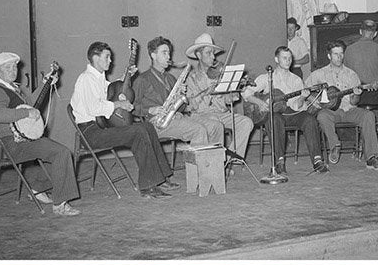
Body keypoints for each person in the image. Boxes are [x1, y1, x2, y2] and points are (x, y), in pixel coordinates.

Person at [70, 41, 177, 199]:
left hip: (101, 128)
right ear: (95, 57)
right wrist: (118, 104)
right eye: (107, 57)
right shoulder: (86, 79)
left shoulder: (98, 78)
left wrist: (127, 76)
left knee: (147, 126)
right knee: (139, 131)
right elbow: (93, 108)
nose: (110, 61)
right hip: (91, 133)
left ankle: (161, 177)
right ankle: (148, 186)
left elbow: (112, 89)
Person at [0, 51, 81, 216]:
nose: (13, 70)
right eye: (7, 67)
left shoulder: (13, 89)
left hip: (24, 141)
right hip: (13, 144)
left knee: (60, 153)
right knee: (61, 152)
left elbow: (32, 105)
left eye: (14, 67)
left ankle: (37, 188)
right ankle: (60, 204)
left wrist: (47, 84)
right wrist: (26, 114)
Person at [243, 46, 326, 175]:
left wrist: (303, 97)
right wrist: (260, 102)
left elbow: (297, 106)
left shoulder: (296, 80)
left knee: (310, 120)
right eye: (284, 58)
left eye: (290, 58)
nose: (288, 61)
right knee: (275, 119)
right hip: (274, 113)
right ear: (277, 59)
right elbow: (246, 93)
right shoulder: (267, 77)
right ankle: (279, 162)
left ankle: (317, 160)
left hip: (291, 111)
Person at [132, 36, 225, 147]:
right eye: (164, 53)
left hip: (175, 118)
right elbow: (132, 107)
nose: (169, 57)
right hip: (156, 123)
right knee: (198, 130)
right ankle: (198, 164)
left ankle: (215, 163)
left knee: (216, 126)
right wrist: (151, 110)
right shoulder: (142, 79)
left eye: (169, 53)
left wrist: (180, 96)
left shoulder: (171, 78)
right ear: (153, 55)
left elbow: (181, 108)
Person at [307, 40, 378, 170]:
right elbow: (304, 89)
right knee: (322, 116)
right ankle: (335, 146)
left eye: (341, 54)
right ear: (329, 56)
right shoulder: (319, 74)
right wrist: (312, 99)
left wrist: (356, 95)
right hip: (331, 112)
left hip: (349, 110)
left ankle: (371, 157)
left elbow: (354, 102)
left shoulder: (351, 74)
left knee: (369, 115)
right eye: (335, 54)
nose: (339, 57)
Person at [183, 33, 254, 161]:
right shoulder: (191, 78)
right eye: (208, 53)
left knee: (246, 123)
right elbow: (189, 106)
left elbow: (227, 100)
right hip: (202, 115)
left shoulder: (220, 74)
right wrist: (206, 92)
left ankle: (230, 159)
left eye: (213, 53)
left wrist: (233, 92)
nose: (213, 57)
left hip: (221, 114)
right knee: (215, 123)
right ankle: (218, 163)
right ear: (199, 55)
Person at [342, 18, 378, 149]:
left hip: (356, 96)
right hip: (373, 94)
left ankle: (360, 139)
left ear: (360, 31)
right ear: (375, 33)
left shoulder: (348, 49)